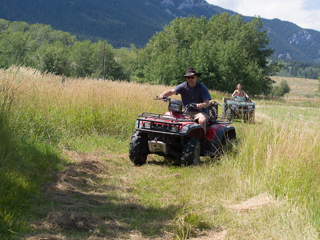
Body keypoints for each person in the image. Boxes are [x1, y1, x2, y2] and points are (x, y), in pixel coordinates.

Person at [158, 67, 211, 133]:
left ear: (196, 77)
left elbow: (207, 103)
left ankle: (202, 141)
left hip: (199, 112)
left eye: (192, 77)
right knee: (171, 118)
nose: (190, 79)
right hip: (187, 111)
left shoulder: (202, 87)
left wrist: (201, 105)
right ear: (186, 78)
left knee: (202, 121)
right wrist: (162, 95)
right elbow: (172, 91)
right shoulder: (183, 86)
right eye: (188, 77)